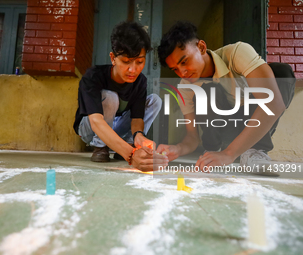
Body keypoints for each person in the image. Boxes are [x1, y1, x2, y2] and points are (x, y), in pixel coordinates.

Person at [157, 21, 296, 173]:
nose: (182, 72)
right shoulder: (185, 86)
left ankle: (254, 153)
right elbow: (192, 137)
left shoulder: (237, 52)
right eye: (175, 69)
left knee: (281, 72)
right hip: (223, 129)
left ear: (201, 47)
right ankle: (212, 151)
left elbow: (273, 103)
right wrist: (177, 149)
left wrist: (229, 154)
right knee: (207, 91)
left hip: (253, 125)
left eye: (184, 61)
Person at [73, 21, 168, 171]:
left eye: (140, 62)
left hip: (115, 128)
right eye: (126, 62)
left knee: (155, 100)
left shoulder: (140, 81)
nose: (133, 69)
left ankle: (128, 143)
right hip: (90, 129)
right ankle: (100, 147)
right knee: (110, 97)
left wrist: (139, 137)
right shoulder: (93, 76)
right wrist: (130, 155)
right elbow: (96, 121)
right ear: (113, 58)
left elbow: (137, 119)